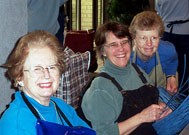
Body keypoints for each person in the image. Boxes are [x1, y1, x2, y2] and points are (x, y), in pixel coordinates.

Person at [81, 21, 171, 135]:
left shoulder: (137, 71)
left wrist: (160, 106)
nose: (121, 49)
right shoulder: (100, 88)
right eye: (113, 45)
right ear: (103, 51)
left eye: (124, 42)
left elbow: (150, 101)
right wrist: (141, 117)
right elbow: (103, 133)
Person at [0, 30, 90, 134]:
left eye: (52, 67)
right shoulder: (17, 126)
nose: (47, 75)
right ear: (20, 77)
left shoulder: (61, 107)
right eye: (37, 69)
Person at [129, 11, 178, 94]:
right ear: (134, 38)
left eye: (154, 38)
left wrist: (171, 75)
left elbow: (173, 60)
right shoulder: (124, 56)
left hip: (161, 97)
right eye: (143, 38)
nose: (149, 44)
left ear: (160, 37)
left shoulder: (168, 50)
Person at [155, 0, 189, 94]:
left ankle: (164, 95)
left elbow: (158, 10)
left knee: (165, 64)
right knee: (185, 67)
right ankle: (183, 97)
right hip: (185, 32)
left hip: (166, 31)